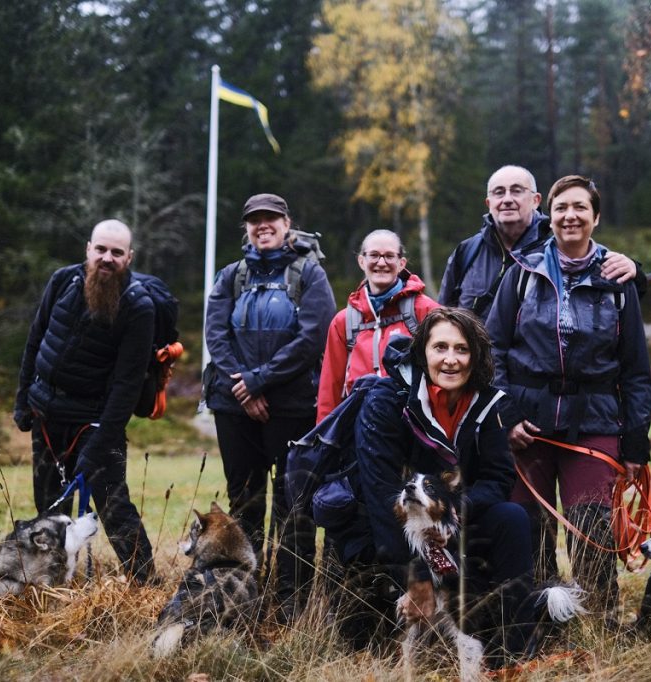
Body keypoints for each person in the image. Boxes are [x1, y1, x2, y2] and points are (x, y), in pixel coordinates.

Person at [486, 175, 651, 627]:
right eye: (561, 207)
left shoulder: (617, 280)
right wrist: (508, 415)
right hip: (528, 426)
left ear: (595, 217)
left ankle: (600, 627)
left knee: (592, 530)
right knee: (529, 531)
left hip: (595, 423)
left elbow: (636, 369)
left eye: (580, 207)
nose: (570, 215)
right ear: (550, 215)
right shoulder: (523, 274)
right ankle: (539, 625)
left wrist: (636, 440)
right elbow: (493, 350)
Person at [328, 307, 537, 661]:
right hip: (390, 527)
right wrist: (417, 575)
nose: (451, 360)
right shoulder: (387, 401)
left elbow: (498, 478)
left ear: (477, 356)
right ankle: (372, 640)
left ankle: (513, 652)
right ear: (422, 352)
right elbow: (380, 495)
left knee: (513, 517)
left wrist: (455, 515)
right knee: (365, 550)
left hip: (449, 519)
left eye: (462, 349)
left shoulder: (488, 404)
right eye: (440, 347)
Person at [203, 193, 336, 622]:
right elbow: (216, 335)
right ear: (246, 227)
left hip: (293, 406)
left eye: (271, 219)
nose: (263, 225)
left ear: (286, 223)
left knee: (293, 507)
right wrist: (244, 386)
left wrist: (260, 381)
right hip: (233, 405)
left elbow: (313, 337)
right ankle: (244, 596)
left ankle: (292, 604)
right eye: (254, 220)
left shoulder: (309, 274)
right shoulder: (231, 276)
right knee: (244, 502)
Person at [14, 219, 156, 584]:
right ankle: (52, 583)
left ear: (130, 257)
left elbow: (127, 385)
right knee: (48, 507)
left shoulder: (139, 307)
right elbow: (35, 339)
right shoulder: (63, 280)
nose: (107, 258)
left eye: (117, 252)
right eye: (101, 249)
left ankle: (144, 585)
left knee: (115, 509)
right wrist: (23, 399)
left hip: (93, 423)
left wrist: (102, 440)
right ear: (88, 249)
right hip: (46, 415)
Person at [439, 164, 644, 319]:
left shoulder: (559, 245)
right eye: (499, 192)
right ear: (488, 203)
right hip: (471, 370)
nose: (507, 199)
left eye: (517, 190)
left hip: (531, 371)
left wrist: (635, 270)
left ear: (536, 200)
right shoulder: (467, 252)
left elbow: (626, 290)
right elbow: (443, 314)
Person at [316, 229, 440, 422]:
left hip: (414, 424)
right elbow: (330, 388)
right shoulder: (344, 321)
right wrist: (323, 441)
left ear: (401, 264)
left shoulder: (425, 310)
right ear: (361, 261)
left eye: (389, 256)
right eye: (374, 255)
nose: (381, 263)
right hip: (359, 426)